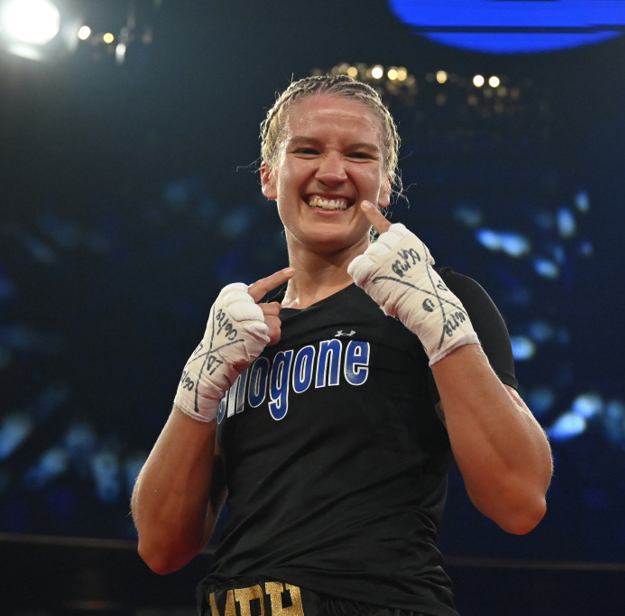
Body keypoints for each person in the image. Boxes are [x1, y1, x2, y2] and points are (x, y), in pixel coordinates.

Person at [131, 74, 553, 616]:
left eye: (358, 155)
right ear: (268, 175)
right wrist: (198, 382)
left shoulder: (446, 298)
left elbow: (519, 500)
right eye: (306, 150)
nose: (331, 173)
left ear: (386, 183)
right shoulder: (241, 334)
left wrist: (443, 326)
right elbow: (161, 546)